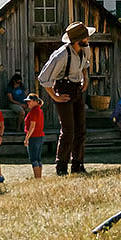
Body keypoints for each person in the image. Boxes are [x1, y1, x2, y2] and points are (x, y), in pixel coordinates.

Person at [38, 21, 93, 176]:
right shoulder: (61, 55)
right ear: (77, 40)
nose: (88, 39)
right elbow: (43, 78)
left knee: (81, 129)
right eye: (85, 37)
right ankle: (61, 167)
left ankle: (78, 165)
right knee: (68, 131)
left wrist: (85, 78)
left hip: (77, 89)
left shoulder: (84, 49)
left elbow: (85, 65)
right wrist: (54, 96)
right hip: (63, 89)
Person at [23, 94, 45, 179]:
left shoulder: (34, 111)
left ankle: (37, 178)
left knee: (34, 159)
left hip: (34, 137)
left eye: (30, 101)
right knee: (38, 158)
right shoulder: (38, 109)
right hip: (39, 136)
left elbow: (32, 126)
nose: (28, 103)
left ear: (35, 101)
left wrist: (26, 139)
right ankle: (39, 177)